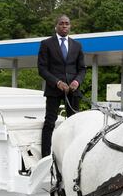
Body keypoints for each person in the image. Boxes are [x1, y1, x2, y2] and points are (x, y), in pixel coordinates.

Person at [37, 14, 86, 157]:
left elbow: (82, 69)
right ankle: (45, 156)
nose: (64, 26)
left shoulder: (77, 46)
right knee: (49, 122)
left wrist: (77, 81)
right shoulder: (46, 44)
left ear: (70, 26)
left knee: (74, 123)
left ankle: (74, 154)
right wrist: (57, 82)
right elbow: (42, 69)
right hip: (54, 89)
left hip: (73, 90)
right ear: (56, 26)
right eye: (61, 23)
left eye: (67, 23)